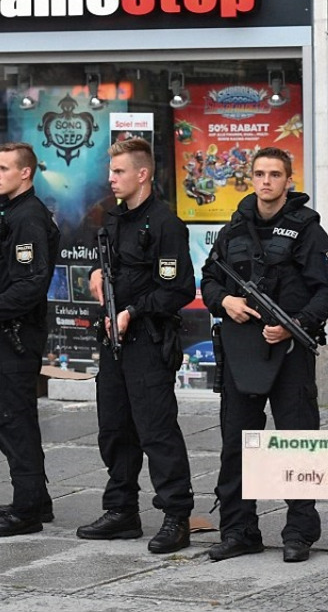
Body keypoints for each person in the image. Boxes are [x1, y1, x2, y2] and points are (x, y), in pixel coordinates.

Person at [201, 147, 328, 563]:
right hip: (241, 349)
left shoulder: (309, 231)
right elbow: (209, 279)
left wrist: (296, 324)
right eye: (260, 173)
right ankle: (238, 530)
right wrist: (225, 301)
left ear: (288, 181)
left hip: (290, 349)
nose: (266, 181)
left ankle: (299, 531)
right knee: (237, 443)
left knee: (296, 441)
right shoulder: (233, 229)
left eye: (275, 174)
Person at [78, 138, 196, 553]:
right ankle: (121, 510)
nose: (111, 179)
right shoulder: (114, 219)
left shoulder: (165, 224)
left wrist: (133, 311)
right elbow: (112, 268)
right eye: (111, 172)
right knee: (114, 429)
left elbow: (179, 289)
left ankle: (176, 515)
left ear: (142, 174)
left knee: (156, 431)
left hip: (148, 340)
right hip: (115, 341)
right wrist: (96, 274)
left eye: (119, 171)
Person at [0, 142, 59, 536]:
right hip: (7, 329)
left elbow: (31, 283)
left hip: (18, 332)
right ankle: (35, 497)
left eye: (3, 168)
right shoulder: (11, 213)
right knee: (12, 416)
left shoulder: (27, 219)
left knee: (12, 419)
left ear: (25, 173)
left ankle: (27, 511)